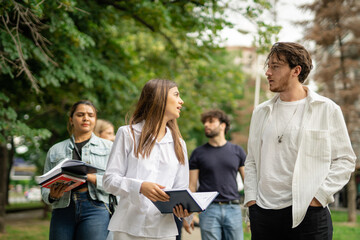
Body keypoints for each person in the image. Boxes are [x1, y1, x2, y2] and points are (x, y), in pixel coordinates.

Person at [244, 42, 357, 240]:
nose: (268, 72)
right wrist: (252, 201)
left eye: (275, 67)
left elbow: (345, 160)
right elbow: (252, 160)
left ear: (296, 70)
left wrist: (318, 197)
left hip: (309, 214)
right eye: (268, 66)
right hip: (264, 214)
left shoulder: (326, 109)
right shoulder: (261, 112)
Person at [103, 79, 191, 240]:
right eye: (176, 95)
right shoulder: (127, 134)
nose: (181, 101)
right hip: (128, 228)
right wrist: (140, 186)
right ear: (160, 98)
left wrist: (184, 209)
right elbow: (109, 181)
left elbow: (181, 188)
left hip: (164, 231)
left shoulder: (180, 144)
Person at [41, 100, 113, 240]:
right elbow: (44, 188)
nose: (86, 118)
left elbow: (116, 183)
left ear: (95, 120)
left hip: (96, 208)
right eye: (80, 114)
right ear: (71, 120)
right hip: (63, 209)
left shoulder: (109, 147)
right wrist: (52, 196)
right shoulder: (55, 150)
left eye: (90, 115)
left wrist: (88, 177)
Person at [188, 109, 246, 240]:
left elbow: (248, 182)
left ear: (223, 125)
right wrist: (190, 214)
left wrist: (253, 213)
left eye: (211, 121)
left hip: (234, 209)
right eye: (204, 122)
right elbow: (192, 186)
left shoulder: (237, 151)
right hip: (208, 210)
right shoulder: (198, 153)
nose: (206, 125)